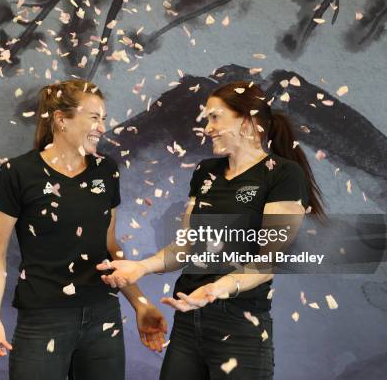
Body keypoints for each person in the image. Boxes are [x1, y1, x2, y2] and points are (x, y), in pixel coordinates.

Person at [97, 81, 325, 379]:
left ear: (246, 120)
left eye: (215, 117)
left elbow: (267, 261)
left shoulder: (284, 174)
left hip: (240, 327)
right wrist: (140, 267)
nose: (207, 127)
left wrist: (216, 289)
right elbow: (187, 247)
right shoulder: (206, 172)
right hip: (188, 323)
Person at [0, 79, 167, 380]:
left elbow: (109, 247)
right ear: (61, 120)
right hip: (43, 318)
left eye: (104, 119)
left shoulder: (106, 170)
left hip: (102, 317)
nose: (102, 127)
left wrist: (140, 303)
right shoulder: (18, 173)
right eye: (95, 118)